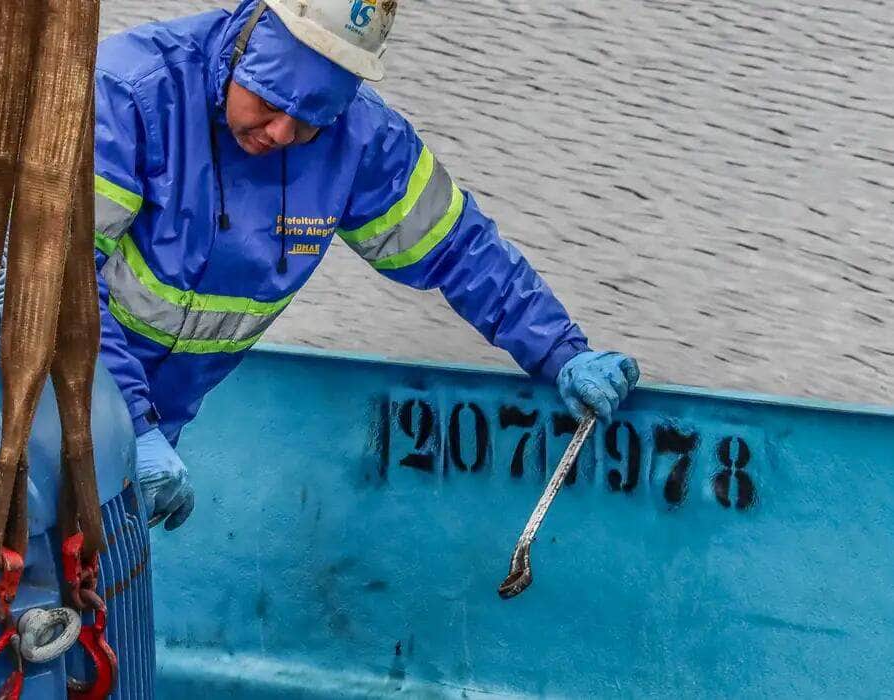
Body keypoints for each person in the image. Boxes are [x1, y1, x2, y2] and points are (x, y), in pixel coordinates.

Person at [92, 0, 640, 531]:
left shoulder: (359, 141)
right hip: (46, 400)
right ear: (246, 38)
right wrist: (128, 424)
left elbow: (461, 250)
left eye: (309, 120)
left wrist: (563, 352)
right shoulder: (131, 93)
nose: (281, 133)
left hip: (154, 434)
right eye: (269, 100)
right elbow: (48, 289)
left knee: (103, 607)